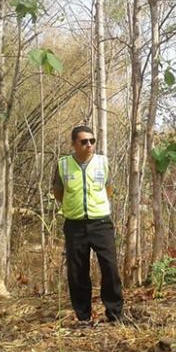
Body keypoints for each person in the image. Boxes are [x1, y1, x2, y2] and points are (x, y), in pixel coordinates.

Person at [52, 126, 124, 326]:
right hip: (75, 225)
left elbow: (108, 189)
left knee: (110, 268)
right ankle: (83, 316)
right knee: (77, 272)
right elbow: (58, 192)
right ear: (74, 144)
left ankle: (115, 313)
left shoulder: (103, 162)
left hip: (101, 223)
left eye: (92, 141)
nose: (89, 145)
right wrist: (73, 206)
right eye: (84, 141)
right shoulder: (63, 165)